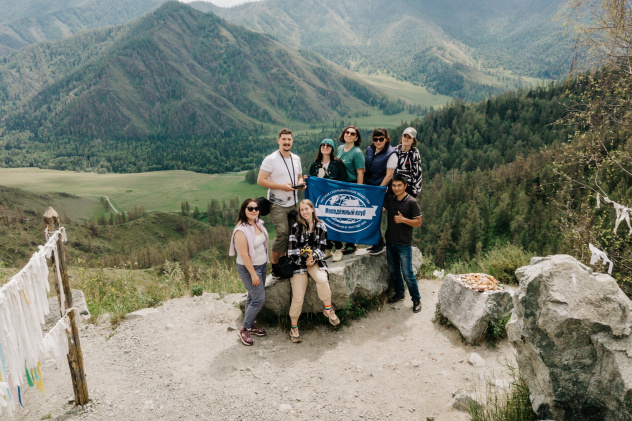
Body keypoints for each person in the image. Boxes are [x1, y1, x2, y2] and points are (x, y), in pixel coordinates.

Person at [287, 199, 340, 343]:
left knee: (322, 279)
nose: (304, 212)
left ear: (312, 209)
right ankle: (294, 327)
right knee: (298, 296)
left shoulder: (321, 225)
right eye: (301, 210)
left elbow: (322, 247)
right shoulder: (296, 227)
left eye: (306, 209)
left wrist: (313, 258)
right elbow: (291, 250)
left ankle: (328, 310)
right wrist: (304, 259)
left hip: (314, 262)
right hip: (298, 264)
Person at [257, 128, 305, 278]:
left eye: (289, 139)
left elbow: (299, 176)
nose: (286, 142)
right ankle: (275, 266)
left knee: (291, 233)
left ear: (292, 141)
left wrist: (301, 183)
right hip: (277, 203)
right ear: (278, 141)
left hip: (293, 203)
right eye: (284, 139)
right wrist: (282, 186)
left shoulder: (296, 158)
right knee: (282, 233)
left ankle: (284, 261)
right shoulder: (270, 159)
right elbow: (261, 180)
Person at [229, 198, 269, 346]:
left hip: (261, 265)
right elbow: (244, 255)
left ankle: (251, 325)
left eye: (256, 208)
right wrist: (253, 273)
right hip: (248, 268)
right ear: (244, 210)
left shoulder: (258, 223)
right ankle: (244, 328)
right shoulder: (241, 230)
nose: (254, 211)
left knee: (253, 297)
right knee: (259, 298)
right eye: (250, 208)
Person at [383, 174, 422, 313]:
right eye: (394, 185)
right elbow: (381, 209)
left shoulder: (412, 202)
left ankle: (416, 299)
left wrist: (403, 220)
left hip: (404, 243)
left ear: (405, 186)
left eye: (399, 185)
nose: (396, 188)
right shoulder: (390, 199)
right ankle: (400, 293)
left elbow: (418, 222)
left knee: (408, 273)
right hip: (390, 241)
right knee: (394, 270)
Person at [307, 138, 347, 261]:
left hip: (335, 200)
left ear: (332, 148)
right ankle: (328, 249)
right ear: (320, 148)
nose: (325, 147)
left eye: (328, 145)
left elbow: (344, 180)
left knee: (335, 223)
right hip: (320, 201)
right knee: (323, 224)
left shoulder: (337, 163)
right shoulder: (314, 165)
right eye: (323, 145)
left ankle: (339, 249)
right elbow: (312, 183)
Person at [364, 128, 398, 255]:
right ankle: (376, 241)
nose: (378, 141)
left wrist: (379, 189)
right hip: (369, 186)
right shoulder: (369, 149)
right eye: (375, 139)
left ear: (386, 139)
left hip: (381, 189)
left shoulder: (391, 153)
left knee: (375, 214)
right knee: (369, 214)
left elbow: (389, 175)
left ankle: (378, 243)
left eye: (381, 139)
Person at [337, 125, 365, 255]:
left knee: (350, 216)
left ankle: (351, 244)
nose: (349, 135)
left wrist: (357, 190)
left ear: (356, 137)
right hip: (341, 185)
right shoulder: (340, 148)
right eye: (347, 132)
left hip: (352, 184)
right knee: (342, 214)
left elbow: (360, 173)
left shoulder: (357, 152)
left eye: (352, 133)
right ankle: (344, 242)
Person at [395, 127, 423, 198]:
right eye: (405, 136)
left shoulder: (415, 154)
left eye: (409, 137)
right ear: (402, 137)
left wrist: (414, 193)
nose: (406, 139)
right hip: (393, 187)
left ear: (413, 141)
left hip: (408, 190)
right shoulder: (394, 151)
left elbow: (418, 175)